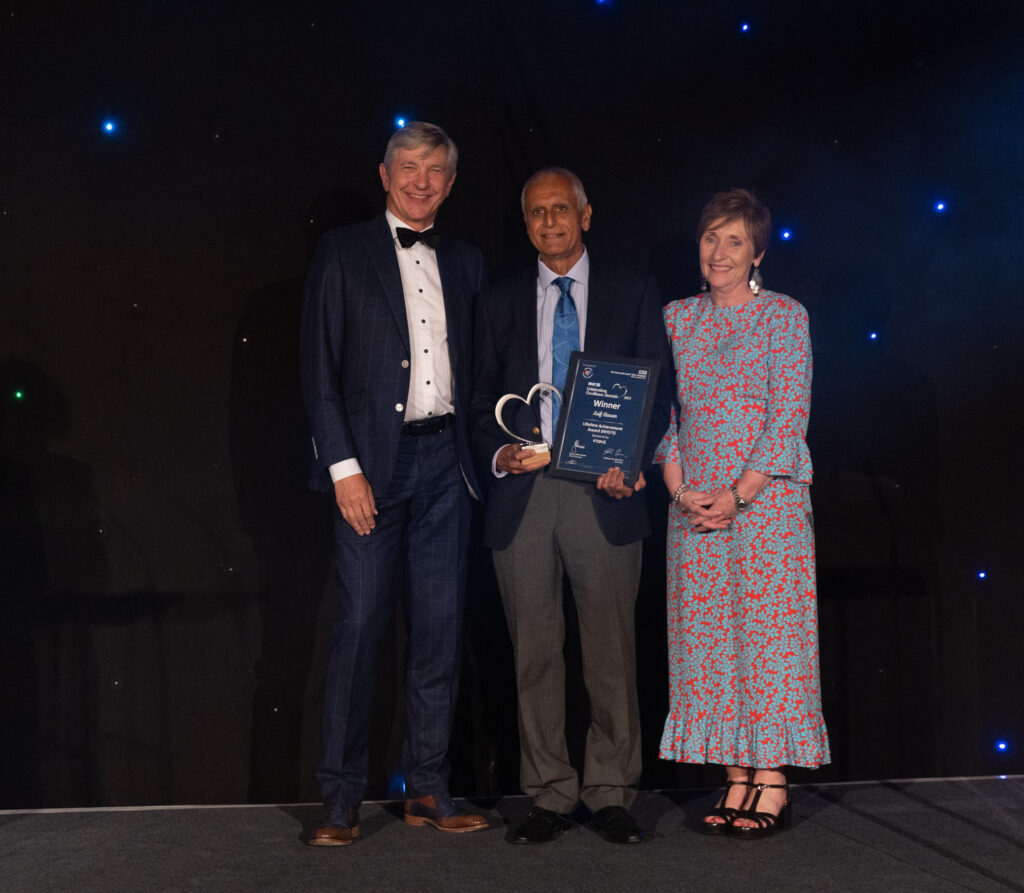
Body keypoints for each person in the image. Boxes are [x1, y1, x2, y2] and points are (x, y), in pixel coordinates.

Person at [471, 168, 671, 845]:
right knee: (534, 650)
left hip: (602, 494)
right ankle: (550, 792)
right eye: (536, 212)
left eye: (561, 208)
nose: (549, 221)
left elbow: (655, 392)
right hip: (523, 495)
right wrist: (499, 455)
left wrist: (632, 464)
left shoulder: (634, 291)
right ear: (525, 223)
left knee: (611, 650)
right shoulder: (497, 302)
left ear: (586, 215)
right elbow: (479, 406)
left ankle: (611, 789)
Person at [301, 122, 487, 845]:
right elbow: (319, 372)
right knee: (359, 628)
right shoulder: (342, 252)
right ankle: (341, 797)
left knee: (439, 633)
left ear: (449, 181)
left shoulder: (467, 260)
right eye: (408, 166)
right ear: (384, 174)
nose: (420, 179)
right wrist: (343, 469)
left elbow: (478, 377)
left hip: (448, 466)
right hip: (371, 471)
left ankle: (428, 786)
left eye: (434, 170)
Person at [656, 188, 830, 838]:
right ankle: (734, 773)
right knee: (710, 643)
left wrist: (739, 494)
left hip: (767, 507)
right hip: (694, 506)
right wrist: (681, 491)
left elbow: (789, 416)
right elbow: (663, 416)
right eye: (710, 238)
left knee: (769, 641)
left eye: (734, 241)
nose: (719, 252)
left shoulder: (785, 317)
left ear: (757, 252)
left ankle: (773, 779)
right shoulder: (675, 317)